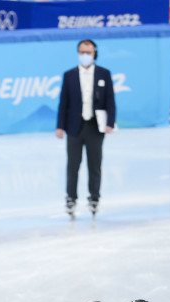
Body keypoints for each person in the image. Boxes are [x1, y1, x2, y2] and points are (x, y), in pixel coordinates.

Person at [56, 39, 115, 219]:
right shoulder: (69, 75)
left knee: (94, 164)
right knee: (73, 165)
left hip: (95, 127)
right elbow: (63, 102)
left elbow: (110, 101)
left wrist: (110, 122)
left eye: (88, 52)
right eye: (82, 52)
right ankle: (71, 198)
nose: (85, 56)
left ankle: (94, 197)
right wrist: (60, 126)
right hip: (74, 126)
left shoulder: (104, 74)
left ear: (94, 53)